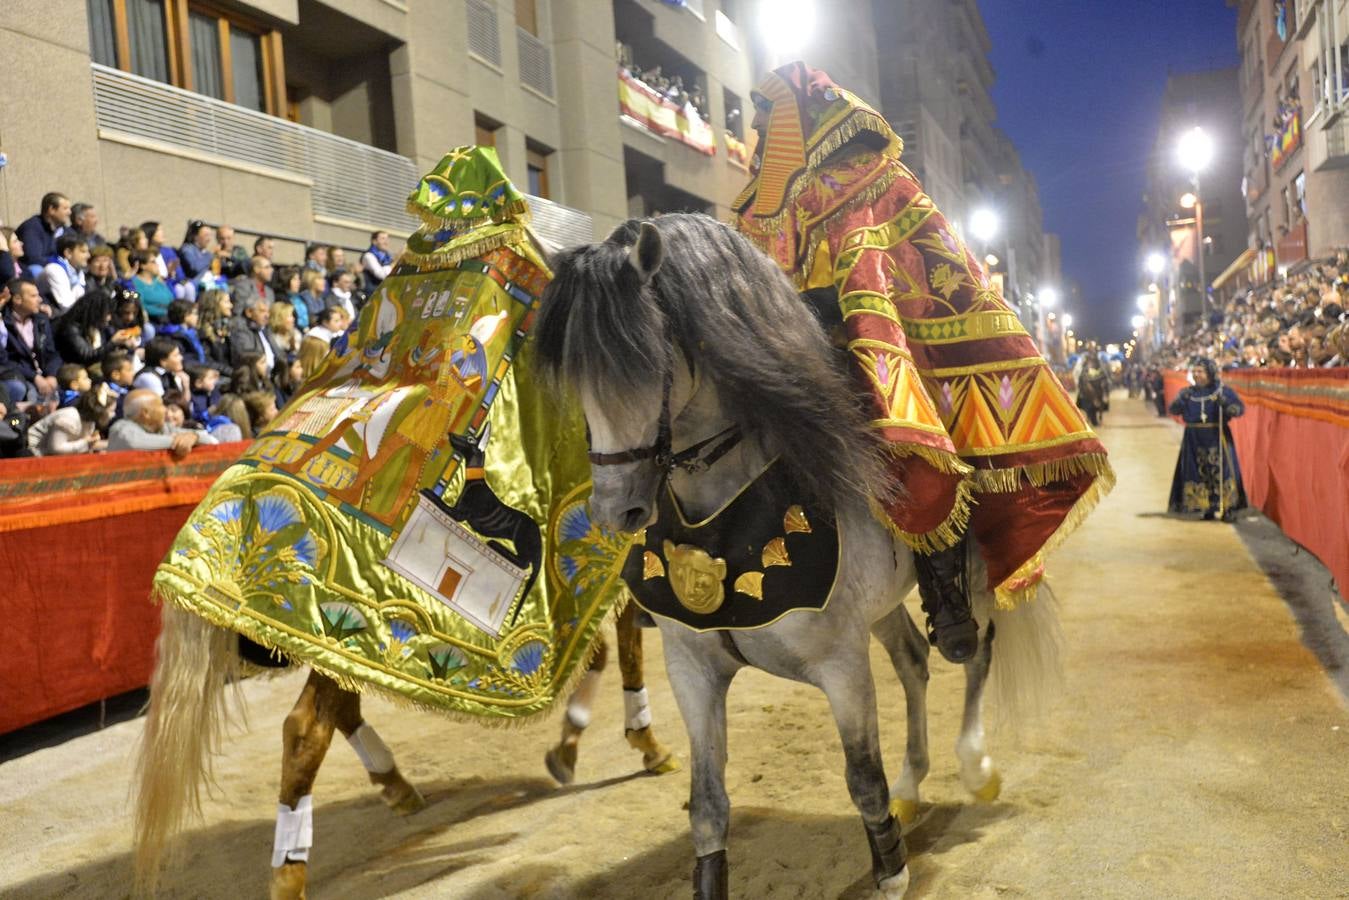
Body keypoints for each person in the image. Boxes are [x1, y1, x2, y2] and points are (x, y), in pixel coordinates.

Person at [732, 63, 1112, 661]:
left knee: (906, 441)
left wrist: (835, 313)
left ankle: (945, 589)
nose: (754, 126)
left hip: (876, 348)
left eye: (765, 114)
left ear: (799, 119)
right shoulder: (762, 206)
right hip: (792, 353)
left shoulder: (877, 181)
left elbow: (896, 273)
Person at [1168, 358, 1246, 520]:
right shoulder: (1188, 393)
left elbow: (1238, 410)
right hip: (1194, 438)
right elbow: (1173, 410)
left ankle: (1227, 508)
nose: (1196, 375)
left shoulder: (1221, 391)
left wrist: (1225, 404)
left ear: (1210, 373)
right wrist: (1180, 400)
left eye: (1200, 371)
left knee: (1223, 472)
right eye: (1194, 371)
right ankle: (1206, 507)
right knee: (1198, 472)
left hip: (1216, 436)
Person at [108, 388, 219, 456]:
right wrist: (177, 441)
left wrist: (194, 437)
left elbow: (212, 440)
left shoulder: (163, 428)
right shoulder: (120, 428)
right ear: (146, 413)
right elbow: (133, 443)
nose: (165, 410)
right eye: (160, 405)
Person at [3, 278, 62, 403]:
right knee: (31, 397)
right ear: (17, 299)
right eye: (34, 296)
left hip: (45, 376)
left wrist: (51, 375)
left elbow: (52, 352)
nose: (40, 299)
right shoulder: (4, 324)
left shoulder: (41, 320)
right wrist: (34, 377)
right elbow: (6, 361)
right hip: (21, 377)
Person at [27, 384, 113, 456]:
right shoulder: (69, 419)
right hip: (34, 454)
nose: (113, 414)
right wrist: (85, 442)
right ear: (99, 411)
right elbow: (55, 449)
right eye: (111, 411)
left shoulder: (90, 422)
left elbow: (82, 445)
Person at [15, 192, 71, 272]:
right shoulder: (32, 227)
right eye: (65, 208)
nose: (69, 212)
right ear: (51, 209)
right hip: (30, 274)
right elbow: (33, 259)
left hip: (56, 271)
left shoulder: (63, 229)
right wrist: (57, 263)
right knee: (36, 269)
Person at [37, 233, 90, 313]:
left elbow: (80, 299)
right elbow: (66, 306)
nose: (88, 255)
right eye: (83, 251)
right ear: (68, 253)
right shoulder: (54, 269)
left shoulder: (78, 271)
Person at [230, 295, 281, 374]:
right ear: (249, 312)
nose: (267, 315)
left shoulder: (265, 328)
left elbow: (278, 353)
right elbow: (251, 359)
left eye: (268, 311)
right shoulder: (241, 329)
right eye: (262, 311)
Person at [130, 249, 175, 323]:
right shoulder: (135, 283)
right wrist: (163, 311)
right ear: (143, 266)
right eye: (153, 262)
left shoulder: (158, 282)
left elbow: (171, 298)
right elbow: (141, 305)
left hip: (168, 317)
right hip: (153, 319)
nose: (157, 265)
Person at [159, 299, 208, 365]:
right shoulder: (174, 337)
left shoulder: (193, 333)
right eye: (195, 313)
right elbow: (186, 362)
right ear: (185, 315)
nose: (197, 317)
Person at [196, 289, 234, 371]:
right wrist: (231, 372)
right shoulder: (203, 333)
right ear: (215, 304)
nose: (231, 306)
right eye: (227, 302)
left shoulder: (226, 329)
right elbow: (207, 362)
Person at [1075, 351, 1111, 427]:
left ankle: (1105, 396)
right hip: (1088, 387)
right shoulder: (1085, 366)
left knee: (1106, 383)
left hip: (1097, 385)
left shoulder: (1099, 365)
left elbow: (1104, 376)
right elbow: (1082, 376)